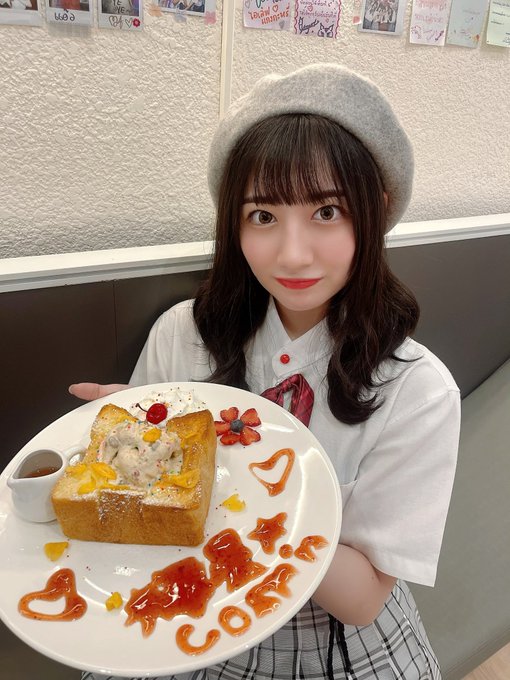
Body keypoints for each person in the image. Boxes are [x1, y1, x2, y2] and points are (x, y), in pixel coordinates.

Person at [73, 63, 460, 680]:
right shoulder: (182, 334)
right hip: (181, 596)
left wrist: (221, 471)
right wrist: (135, 458)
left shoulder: (416, 389)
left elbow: (361, 600)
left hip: (332, 641)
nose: (293, 254)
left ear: (376, 211)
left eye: (327, 211)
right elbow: (149, 515)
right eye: (263, 216)